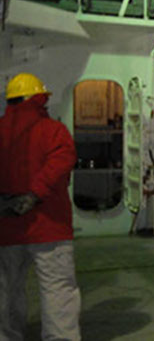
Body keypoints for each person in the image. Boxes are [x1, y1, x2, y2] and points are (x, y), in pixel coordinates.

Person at [0, 72, 81, 340]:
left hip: (7, 230)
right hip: (50, 228)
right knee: (57, 292)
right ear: (38, 99)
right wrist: (34, 194)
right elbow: (62, 161)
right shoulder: (53, 131)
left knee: (5, 291)